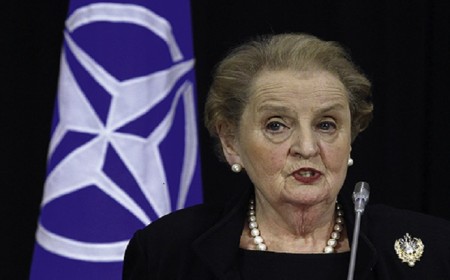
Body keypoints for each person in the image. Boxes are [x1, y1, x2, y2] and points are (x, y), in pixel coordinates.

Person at [122, 33, 450, 279]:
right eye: (277, 125)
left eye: (326, 124)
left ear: (350, 137)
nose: (307, 147)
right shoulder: (166, 253)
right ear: (231, 141)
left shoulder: (434, 250)